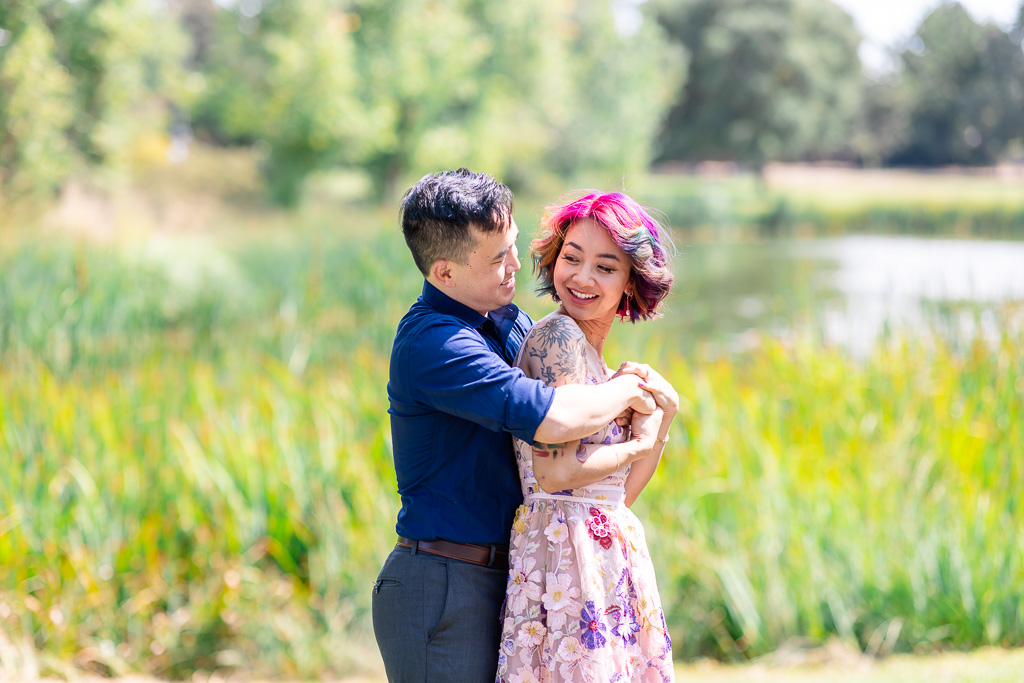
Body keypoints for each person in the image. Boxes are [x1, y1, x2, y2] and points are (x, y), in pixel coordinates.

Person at [372, 170, 667, 682]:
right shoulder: (435, 345)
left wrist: (650, 423)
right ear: (444, 273)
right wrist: (631, 389)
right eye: (496, 259)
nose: (517, 267)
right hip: (444, 582)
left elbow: (596, 487)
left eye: (511, 247)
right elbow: (553, 420)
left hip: (511, 572)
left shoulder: (509, 324)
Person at [495, 191, 678, 683]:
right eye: (571, 259)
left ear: (631, 282)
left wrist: (664, 420)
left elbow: (621, 494)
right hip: (562, 552)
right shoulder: (558, 339)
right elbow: (554, 475)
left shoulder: (598, 359)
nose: (581, 277)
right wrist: (637, 443)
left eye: (605, 266)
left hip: (603, 550)